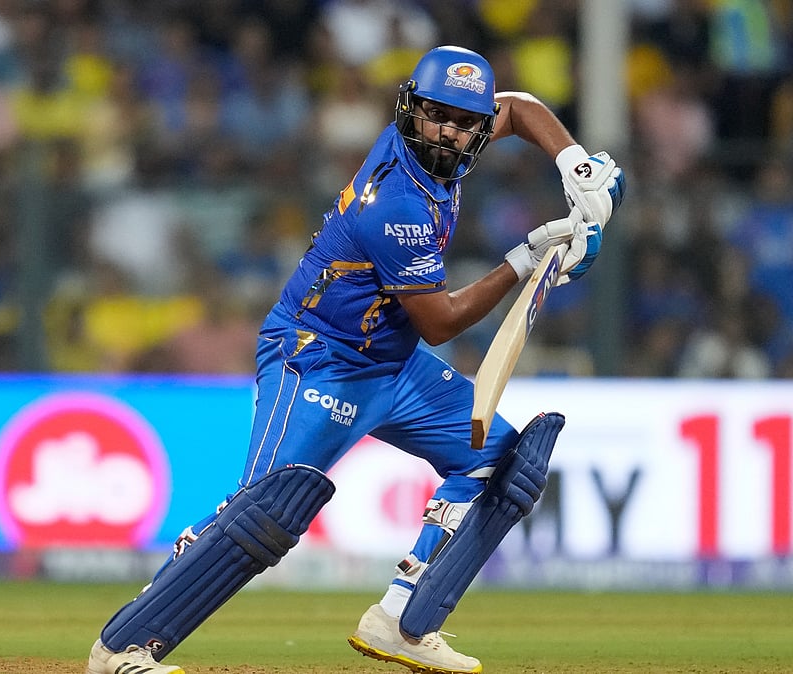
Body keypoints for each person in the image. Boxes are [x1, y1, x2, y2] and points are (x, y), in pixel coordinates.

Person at [85, 45, 624, 674]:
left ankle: (404, 617)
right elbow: (441, 321)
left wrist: (576, 169)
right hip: (317, 357)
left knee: (503, 464)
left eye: (462, 121)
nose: (446, 131)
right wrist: (528, 258)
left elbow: (523, 108)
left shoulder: (453, 142)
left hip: (392, 363)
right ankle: (124, 646)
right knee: (262, 512)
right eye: (434, 116)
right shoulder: (396, 203)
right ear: (410, 110)